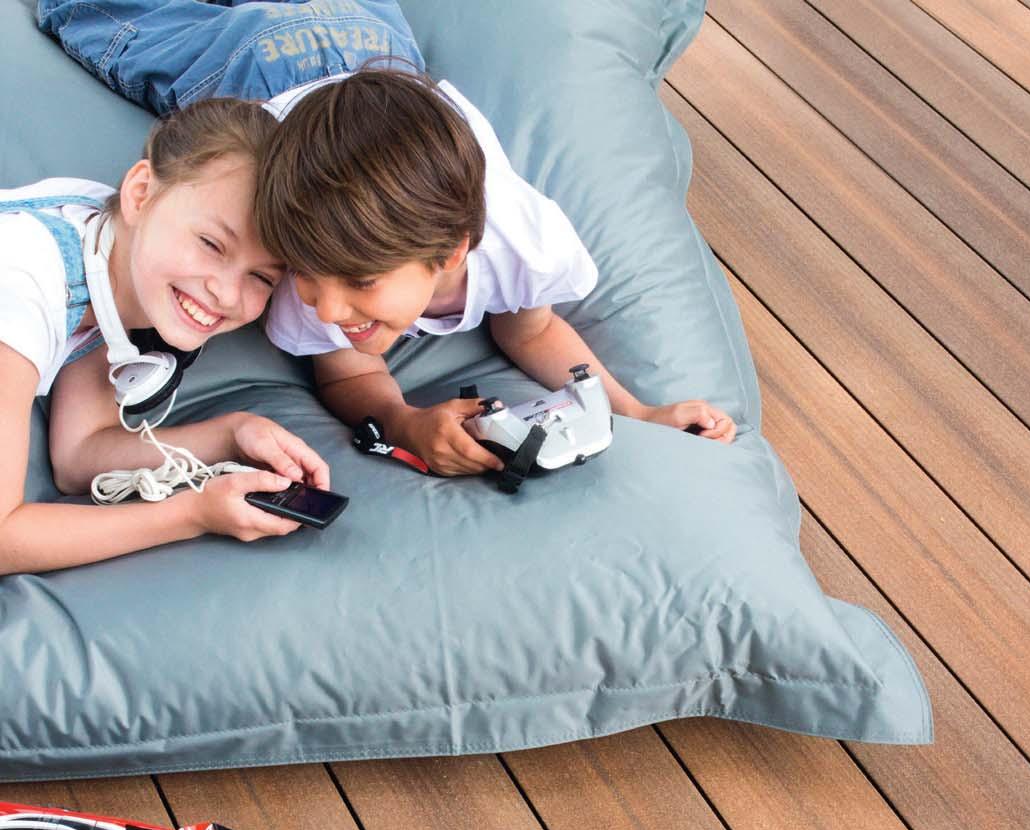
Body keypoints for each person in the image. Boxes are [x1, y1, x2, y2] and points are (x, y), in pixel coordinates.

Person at [38, 1, 736, 478]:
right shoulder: (312, 276)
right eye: (305, 274)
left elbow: (534, 329)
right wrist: (401, 421)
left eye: (359, 283)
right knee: (92, 13)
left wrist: (637, 412)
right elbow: (347, 372)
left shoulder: (528, 246)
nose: (326, 308)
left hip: (376, 50)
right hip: (269, 64)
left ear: (453, 251)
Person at [0, 96, 329, 576]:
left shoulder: (109, 253)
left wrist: (233, 433)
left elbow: (78, 455)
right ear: (140, 194)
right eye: (211, 244)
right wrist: (192, 514)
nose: (226, 293)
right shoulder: (22, 286)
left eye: (261, 277)